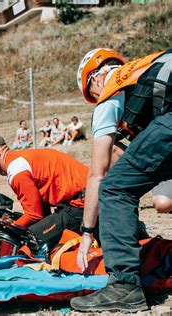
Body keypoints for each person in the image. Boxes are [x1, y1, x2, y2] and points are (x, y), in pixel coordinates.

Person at [70, 48, 172, 312]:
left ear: (95, 78)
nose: (96, 100)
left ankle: (123, 287)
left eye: (91, 95)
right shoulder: (145, 71)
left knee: (115, 188)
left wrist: (87, 232)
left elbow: (98, 174)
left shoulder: (111, 86)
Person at [0, 132, 89, 248]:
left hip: (81, 204)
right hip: (86, 198)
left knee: (24, 242)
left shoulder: (16, 169)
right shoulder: (20, 160)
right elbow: (42, 213)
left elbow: (34, 215)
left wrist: (9, 230)